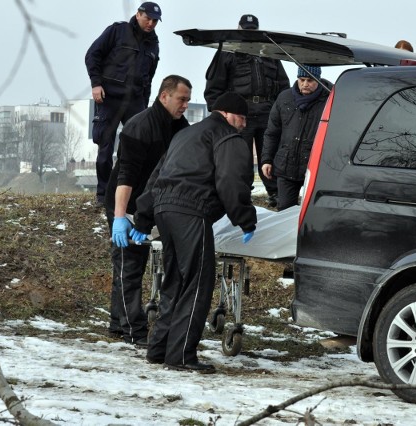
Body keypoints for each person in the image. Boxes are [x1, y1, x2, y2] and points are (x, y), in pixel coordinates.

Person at [132, 92, 257, 373]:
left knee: (175, 281)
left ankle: (159, 349)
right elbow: (231, 182)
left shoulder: (185, 135)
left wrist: (143, 217)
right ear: (227, 114)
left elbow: (157, 177)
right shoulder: (227, 137)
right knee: (198, 283)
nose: (244, 124)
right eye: (242, 118)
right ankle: (182, 355)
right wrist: (246, 219)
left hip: (165, 210)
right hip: (192, 210)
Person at [104, 75, 192, 345]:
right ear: (164, 96)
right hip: (126, 202)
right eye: (181, 99)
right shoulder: (139, 126)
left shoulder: (181, 127)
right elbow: (125, 178)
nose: (185, 105)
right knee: (128, 264)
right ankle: (135, 330)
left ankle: (117, 322)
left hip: (150, 205)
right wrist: (120, 217)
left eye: (188, 100)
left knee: (133, 263)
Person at [204, 14, 290, 208]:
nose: (249, 34)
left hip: (267, 114)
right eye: (246, 30)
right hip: (239, 116)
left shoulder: (269, 53)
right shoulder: (227, 52)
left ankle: (275, 195)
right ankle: (242, 197)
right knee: (239, 159)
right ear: (239, 29)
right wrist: (219, 117)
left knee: (270, 155)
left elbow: (283, 85)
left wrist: (281, 112)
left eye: (253, 31)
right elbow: (214, 88)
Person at [85, 2, 162, 207]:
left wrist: (145, 107)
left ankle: (126, 195)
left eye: (155, 21)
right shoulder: (117, 31)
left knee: (135, 147)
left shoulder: (153, 43)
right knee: (105, 146)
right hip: (109, 97)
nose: (151, 23)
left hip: (135, 100)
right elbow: (93, 55)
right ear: (138, 14)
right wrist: (96, 84)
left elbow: (149, 77)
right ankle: (103, 195)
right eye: (148, 18)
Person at [261, 65, 332, 211]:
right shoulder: (284, 98)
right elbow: (272, 132)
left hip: (314, 168)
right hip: (286, 166)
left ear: (318, 80)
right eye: (301, 80)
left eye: (310, 80)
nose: (305, 84)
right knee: (285, 210)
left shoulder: (330, 99)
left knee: (312, 213)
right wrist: (266, 159)